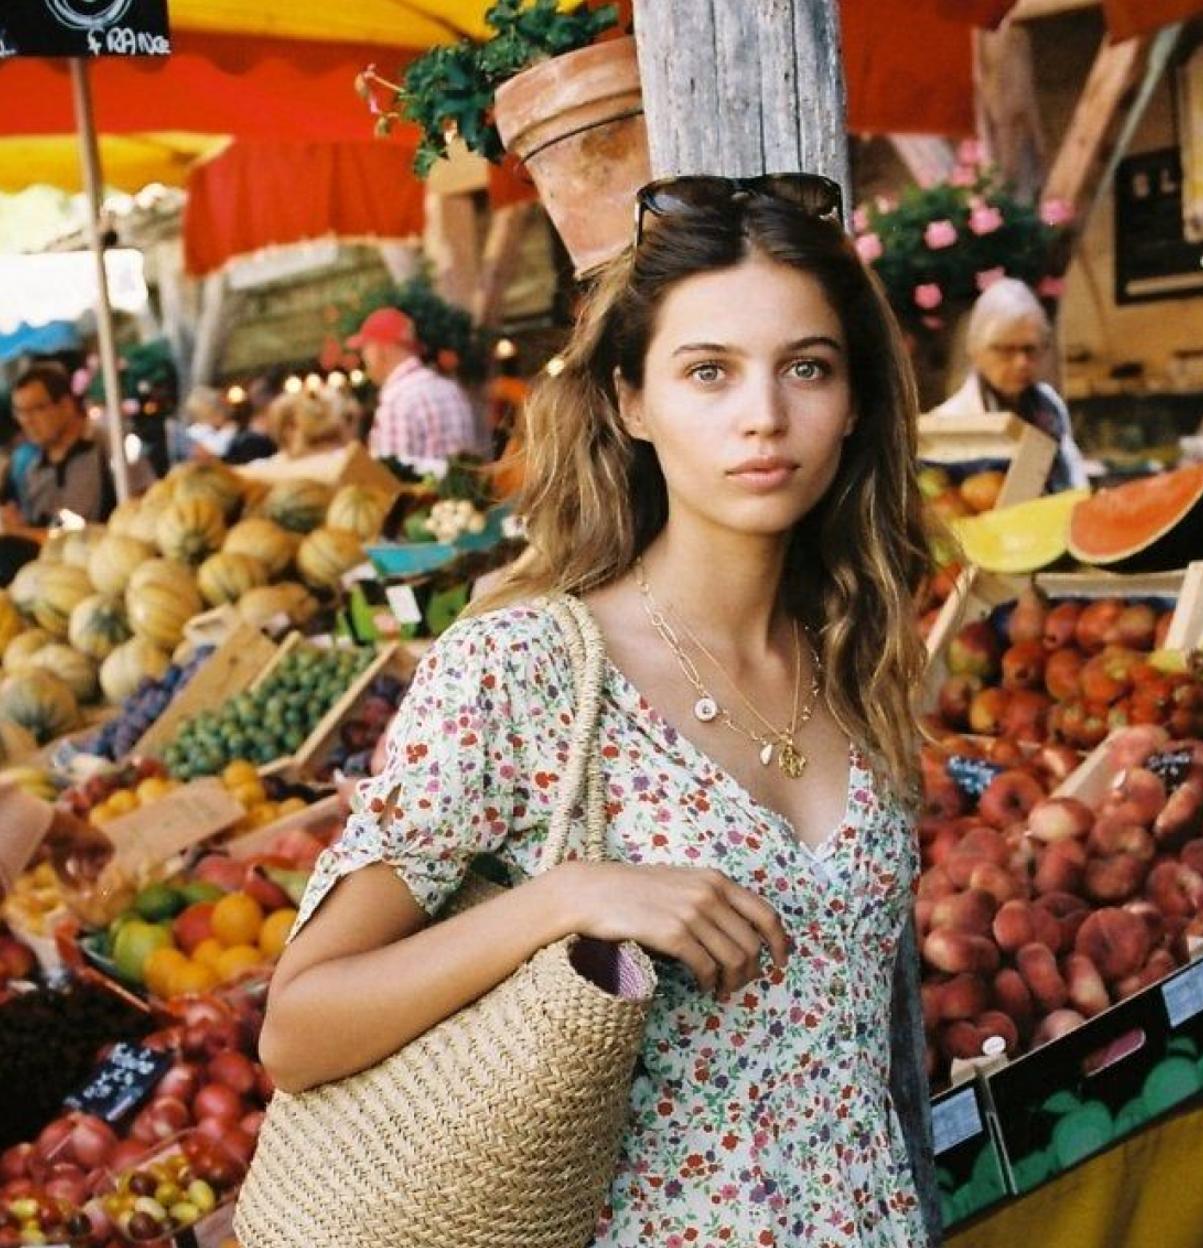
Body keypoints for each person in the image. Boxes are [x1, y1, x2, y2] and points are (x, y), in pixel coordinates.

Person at [260, 178, 938, 1247]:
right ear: (631, 401)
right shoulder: (520, 669)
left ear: (853, 402)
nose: (764, 414)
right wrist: (563, 898)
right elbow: (296, 1030)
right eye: (707, 371)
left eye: (806, 367)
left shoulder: (864, 655)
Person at [928, 277, 1087, 491]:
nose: (1021, 363)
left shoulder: (1048, 404)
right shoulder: (947, 425)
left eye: (1030, 349)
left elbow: (1074, 475)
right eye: (1006, 350)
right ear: (976, 351)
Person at [0, 361, 151, 538]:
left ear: (66, 405)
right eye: (20, 412)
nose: (27, 421)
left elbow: (144, 513)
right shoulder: (29, 467)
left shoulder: (112, 445)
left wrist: (23, 533)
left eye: (37, 409)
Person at [349, 307, 488, 464]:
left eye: (365, 349)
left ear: (381, 350)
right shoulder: (451, 390)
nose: (364, 358)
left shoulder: (397, 401)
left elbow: (389, 482)